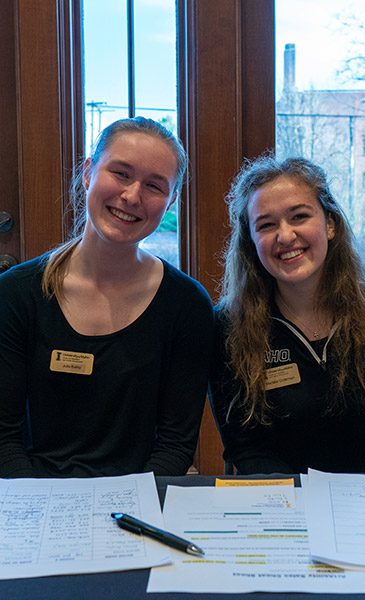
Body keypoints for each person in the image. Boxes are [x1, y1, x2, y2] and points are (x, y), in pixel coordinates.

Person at [0, 116, 214, 478]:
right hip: (35, 503)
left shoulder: (187, 305)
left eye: (154, 186)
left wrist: (134, 508)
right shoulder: (16, 293)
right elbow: (4, 439)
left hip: (138, 506)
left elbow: (175, 445)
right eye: (121, 173)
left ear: (171, 200)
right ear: (87, 173)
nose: (132, 196)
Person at [209, 154, 365, 474]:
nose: (285, 236)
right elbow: (247, 444)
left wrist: (363, 500)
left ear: (330, 224)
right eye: (266, 225)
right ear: (251, 241)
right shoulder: (229, 327)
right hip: (283, 504)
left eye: (299, 216)